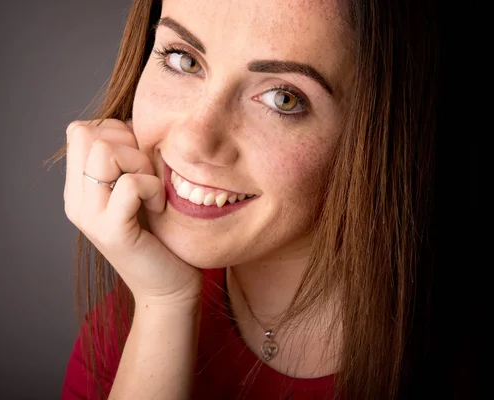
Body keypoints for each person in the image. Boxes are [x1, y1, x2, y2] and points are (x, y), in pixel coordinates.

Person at [48, 0, 439, 398]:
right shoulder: (128, 328)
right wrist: (165, 305)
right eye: (183, 59)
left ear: (378, 133)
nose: (194, 141)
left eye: (283, 98)